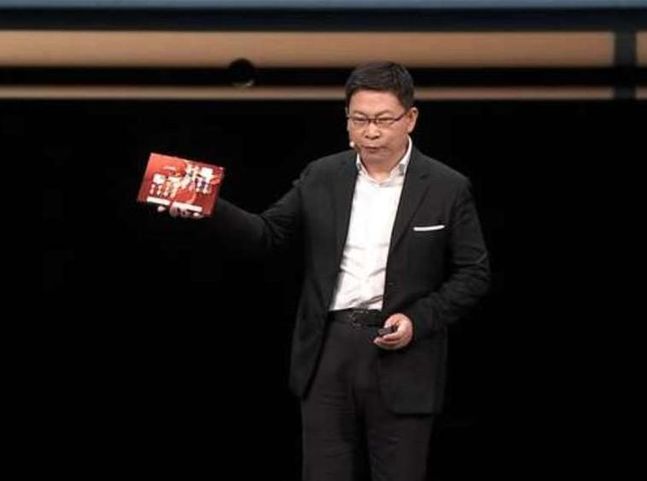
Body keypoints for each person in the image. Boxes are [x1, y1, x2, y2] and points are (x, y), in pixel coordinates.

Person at [162, 61, 490, 481]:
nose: (371, 132)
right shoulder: (323, 175)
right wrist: (206, 205)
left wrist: (418, 319)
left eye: (383, 120)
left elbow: (474, 272)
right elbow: (267, 234)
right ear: (347, 119)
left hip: (404, 353)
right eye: (360, 119)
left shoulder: (446, 186)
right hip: (327, 350)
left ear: (410, 118)